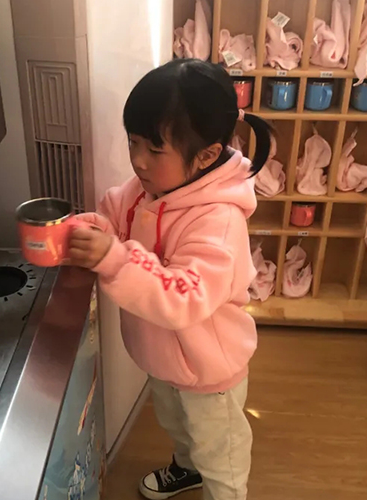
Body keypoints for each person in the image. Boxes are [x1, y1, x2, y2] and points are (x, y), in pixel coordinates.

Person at [67, 58, 272, 500]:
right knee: (177, 425)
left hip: (209, 369)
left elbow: (185, 298)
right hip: (162, 358)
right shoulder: (148, 188)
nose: (138, 160)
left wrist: (114, 260)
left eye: (154, 150)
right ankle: (186, 468)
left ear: (207, 155)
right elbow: (114, 219)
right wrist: (94, 231)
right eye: (133, 142)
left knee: (221, 454)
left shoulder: (218, 221)